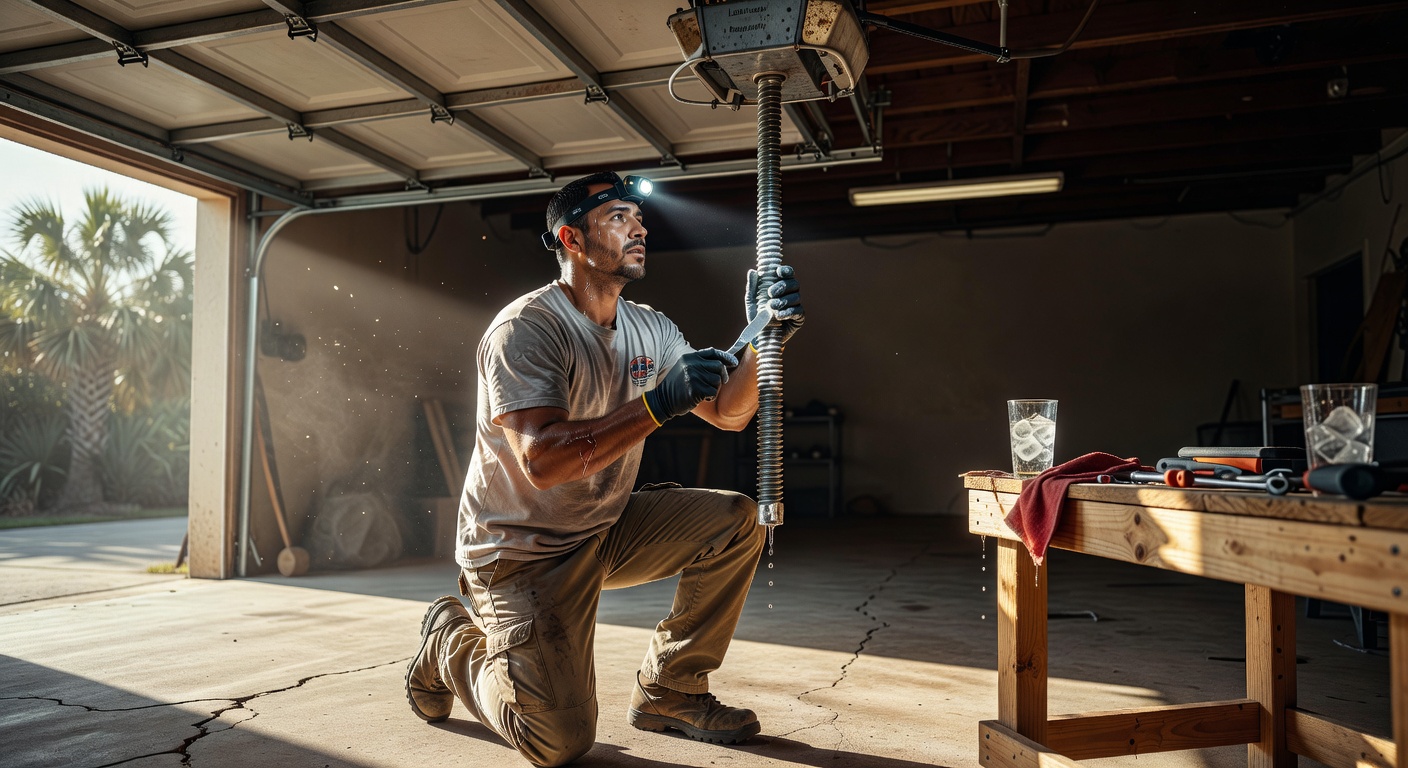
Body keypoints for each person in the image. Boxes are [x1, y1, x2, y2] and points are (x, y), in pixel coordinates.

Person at [405, 171, 805, 767]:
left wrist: (764, 342)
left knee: (734, 519)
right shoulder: (529, 329)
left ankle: (671, 689)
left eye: (639, 218)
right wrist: (655, 403)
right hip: (521, 552)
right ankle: (451, 643)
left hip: (604, 528)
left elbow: (728, 413)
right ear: (571, 238)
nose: (639, 227)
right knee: (558, 742)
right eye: (618, 217)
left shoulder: (651, 327)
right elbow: (542, 460)